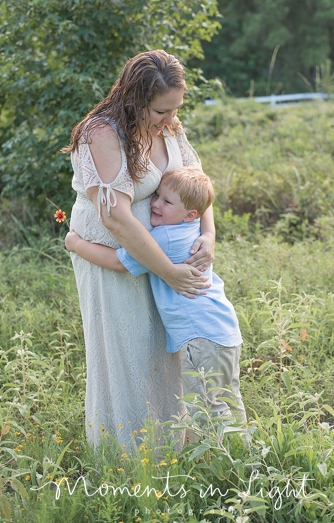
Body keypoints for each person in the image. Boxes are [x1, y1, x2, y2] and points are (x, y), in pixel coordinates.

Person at [62, 50, 214, 448]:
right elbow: (116, 218)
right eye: (162, 110)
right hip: (112, 257)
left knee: (163, 347)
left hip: (162, 258)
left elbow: (198, 184)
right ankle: (126, 455)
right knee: (126, 352)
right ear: (136, 99)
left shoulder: (168, 125)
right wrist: (167, 269)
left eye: (175, 109)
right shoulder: (101, 133)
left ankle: (172, 444)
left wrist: (208, 238)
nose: (171, 119)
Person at [65, 166, 247, 426]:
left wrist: (76, 244)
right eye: (157, 195)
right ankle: (246, 454)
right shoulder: (192, 228)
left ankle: (219, 462)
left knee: (207, 408)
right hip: (224, 331)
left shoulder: (165, 238)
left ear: (190, 214)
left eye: (167, 201)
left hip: (201, 338)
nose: (156, 204)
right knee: (229, 399)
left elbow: (118, 262)